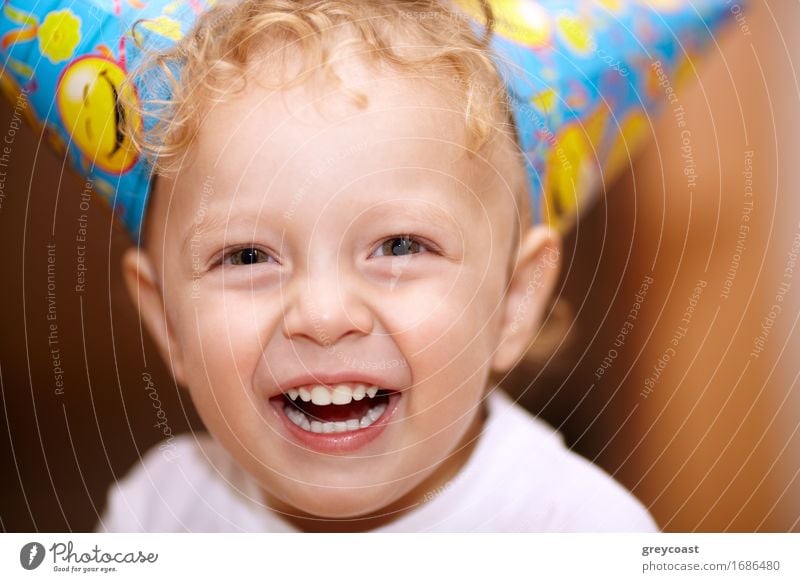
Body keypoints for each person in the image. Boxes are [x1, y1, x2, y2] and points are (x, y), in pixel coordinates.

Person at [94, 0, 661, 532]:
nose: (322, 315)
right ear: (168, 319)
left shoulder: (578, 532)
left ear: (513, 300)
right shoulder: (156, 515)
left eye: (399, 247)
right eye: (247, 257)